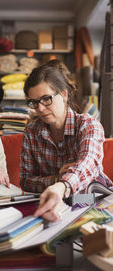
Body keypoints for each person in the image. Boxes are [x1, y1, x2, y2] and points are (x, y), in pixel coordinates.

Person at [20, 59, 113, 222]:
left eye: (46, 99)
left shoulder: (88, 124)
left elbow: (88, 161)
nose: (40, 108)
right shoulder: (31, 131)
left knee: (74, 209)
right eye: (34, 102)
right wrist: (56, 179)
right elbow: (26, 180)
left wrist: (63, 185)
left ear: (63, 94)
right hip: (54, 199)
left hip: (95, 198)